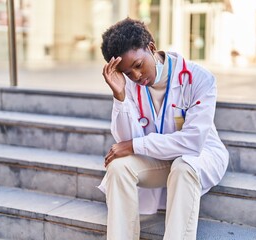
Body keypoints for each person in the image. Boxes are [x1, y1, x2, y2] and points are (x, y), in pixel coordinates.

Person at [98, 17, 229, 240]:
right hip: (159, 158)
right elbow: (126, 140)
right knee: (118, 169)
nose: (136, 77)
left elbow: (192, 142)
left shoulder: (199, 79)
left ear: (151, 47)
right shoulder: (128, 86)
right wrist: (120, 98)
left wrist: (134, 145)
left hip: (200, 156)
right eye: (128, 73)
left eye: (138, 65)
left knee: (183, 166)